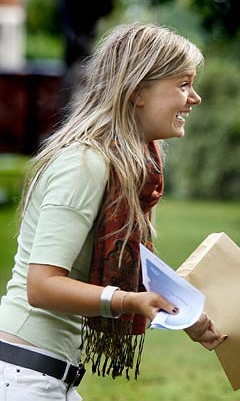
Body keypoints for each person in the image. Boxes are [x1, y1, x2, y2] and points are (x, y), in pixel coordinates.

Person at [0, 23, 227, 400]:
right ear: (138, 92)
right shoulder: (84, 163)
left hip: (45, 374)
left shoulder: (127, 170)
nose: (195, 98)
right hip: (24, 376)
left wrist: (185, 314)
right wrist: (128, 301)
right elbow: (40, 286)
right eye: (183, 84)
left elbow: (142, 278)